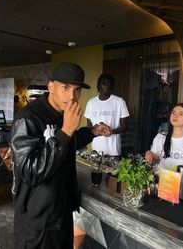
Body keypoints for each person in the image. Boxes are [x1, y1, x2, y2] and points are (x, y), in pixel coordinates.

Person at [10, 62, 111, 249]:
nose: (72, 96)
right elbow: (30, 172)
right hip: (38, 222)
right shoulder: (29, 118)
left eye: (77, 90)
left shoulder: (63, 113)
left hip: (62, 215)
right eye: (65, 87)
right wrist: (65, 131)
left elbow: (68, 143)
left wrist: (92, 132)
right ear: (51, 87)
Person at [84, 73, 130, 157]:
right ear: (99, 85)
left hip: (113, 151)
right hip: (96, 151)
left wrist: (112, 131)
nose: (107, 86)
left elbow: (125, 126)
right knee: (94, 170)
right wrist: (97, 128)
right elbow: (88, 126)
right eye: (104, 83)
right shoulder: (91, 103)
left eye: (109, 83)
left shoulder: (119, 102)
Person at [145, 103, 183, 174]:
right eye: (173, 112)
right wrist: (150, 155)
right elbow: (156, 160)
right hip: (159, 181)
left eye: (181, 114)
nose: (175, 116)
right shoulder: (160, 137)